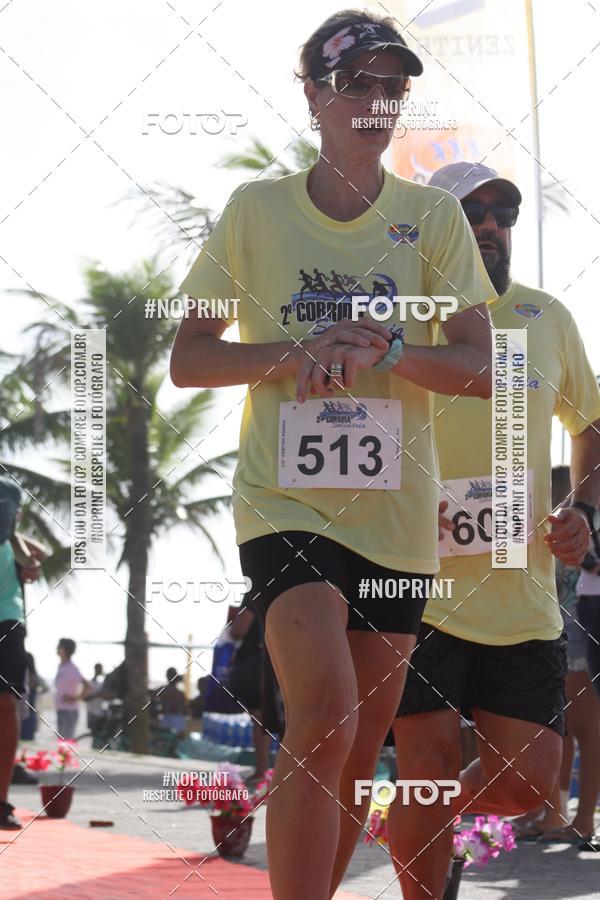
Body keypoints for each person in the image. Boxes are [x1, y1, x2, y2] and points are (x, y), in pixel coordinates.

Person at [171, 11, 496, 897]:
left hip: (396, 525)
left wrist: (391, 352)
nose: (378, 102)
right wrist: (296, 354)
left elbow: (481, 370)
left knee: (352, 748)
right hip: (285, 503)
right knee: (325, 711)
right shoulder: (256, 211)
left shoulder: (432, 218)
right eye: (358, 83)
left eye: (393, 87)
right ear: (313, 95)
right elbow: (188, 357)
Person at [380, 162, 600, 899]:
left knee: (529, 787)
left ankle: (421, 824)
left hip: (521, 595)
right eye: (471, 212)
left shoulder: (548, 318)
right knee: (429, 768)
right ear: (437, 227)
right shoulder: (404, 320)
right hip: (418, 588)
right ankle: (425, 838)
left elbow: (592, 426)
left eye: (503, 213)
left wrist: (585, 513)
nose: (491, 226)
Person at [513, 466, 600, 847]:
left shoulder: (575, 524)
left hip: (577, 627)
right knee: (560, 730)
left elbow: (583, 569)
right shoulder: (553, 527)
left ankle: (579, 818)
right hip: (558, 629)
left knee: (583, 730)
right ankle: (557, 812)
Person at [0, 476, 45, 828]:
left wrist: (16, 537)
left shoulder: (14, 540)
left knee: (5, 705)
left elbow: (40, 553)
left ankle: (0, 803)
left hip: (7, 619)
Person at [55, 638, 90, 740]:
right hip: (61, 710)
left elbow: (87, 686)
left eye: (59, 646)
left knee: (65, 743)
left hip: (69, 712)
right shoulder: (62, 666)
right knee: (61, 742)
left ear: (64, 649)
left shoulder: (71, 668)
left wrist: (76, 698)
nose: (57, 648)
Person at [158, 668, 187, 734]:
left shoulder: (162, 690)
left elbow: (184, 710)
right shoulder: (179, 693)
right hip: (170, 720)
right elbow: (185, 710)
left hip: (174, 721)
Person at [85, 663, 105, 734]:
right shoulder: (90, 683)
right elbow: (85, 698)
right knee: (95, 734)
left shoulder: (101, 683)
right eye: (99, 669)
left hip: (101, 713)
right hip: (92, 713)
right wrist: (97, 695)